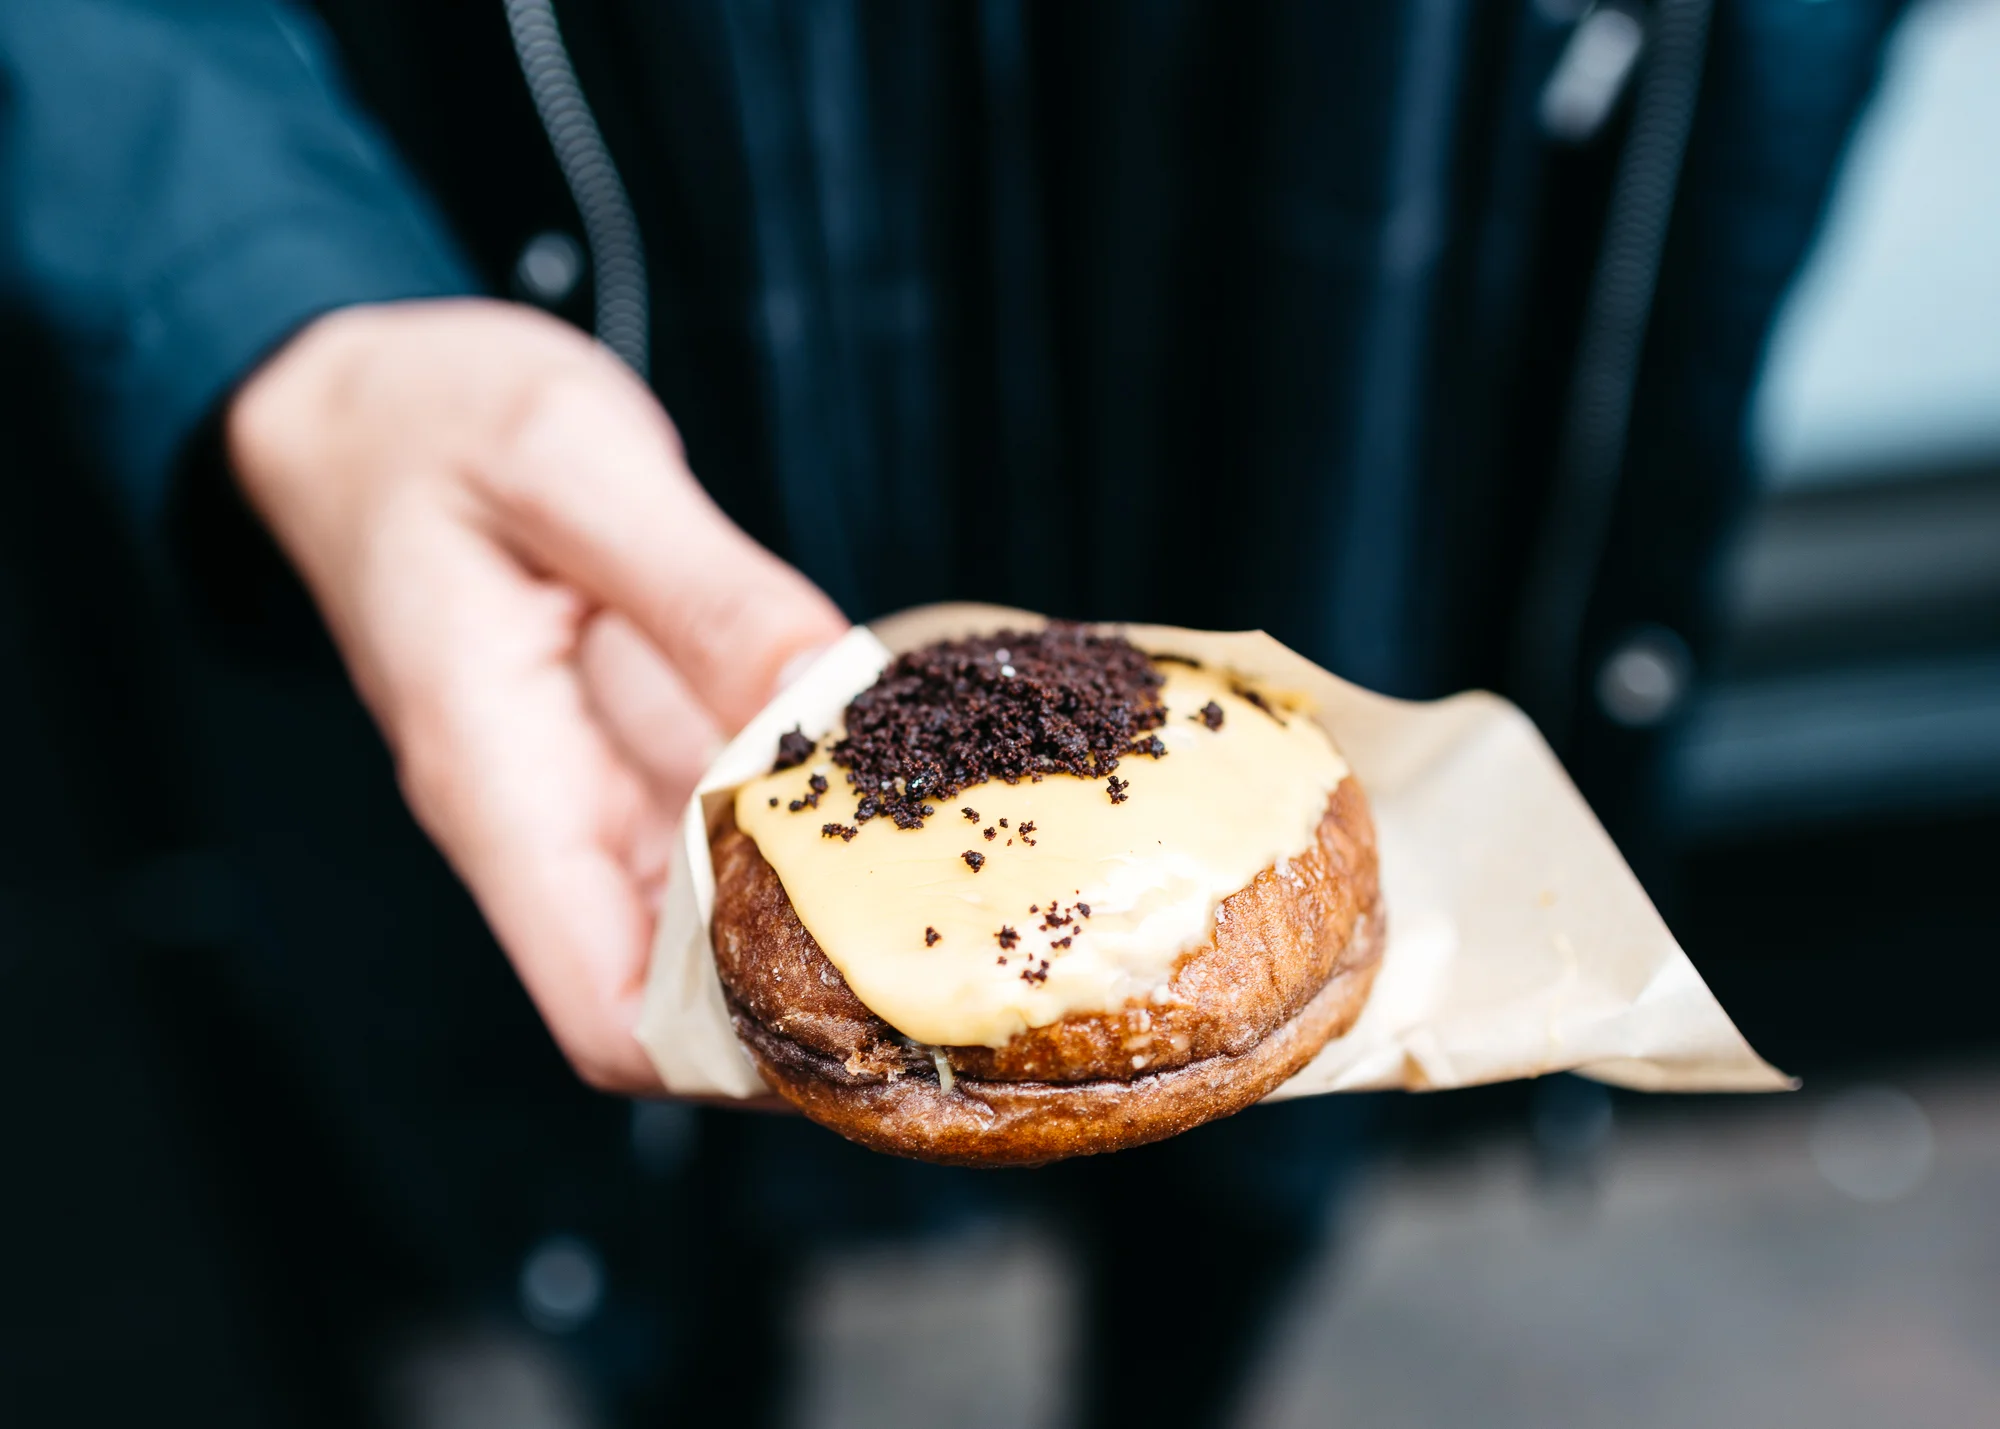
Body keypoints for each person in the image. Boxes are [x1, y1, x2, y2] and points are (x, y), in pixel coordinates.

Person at [0, 1, 1898, 1423]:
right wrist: (272, 293)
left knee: (1257, 1150)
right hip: (578, 225)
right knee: (640, 1132)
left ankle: (1190, 1349)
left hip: (1364, 153)